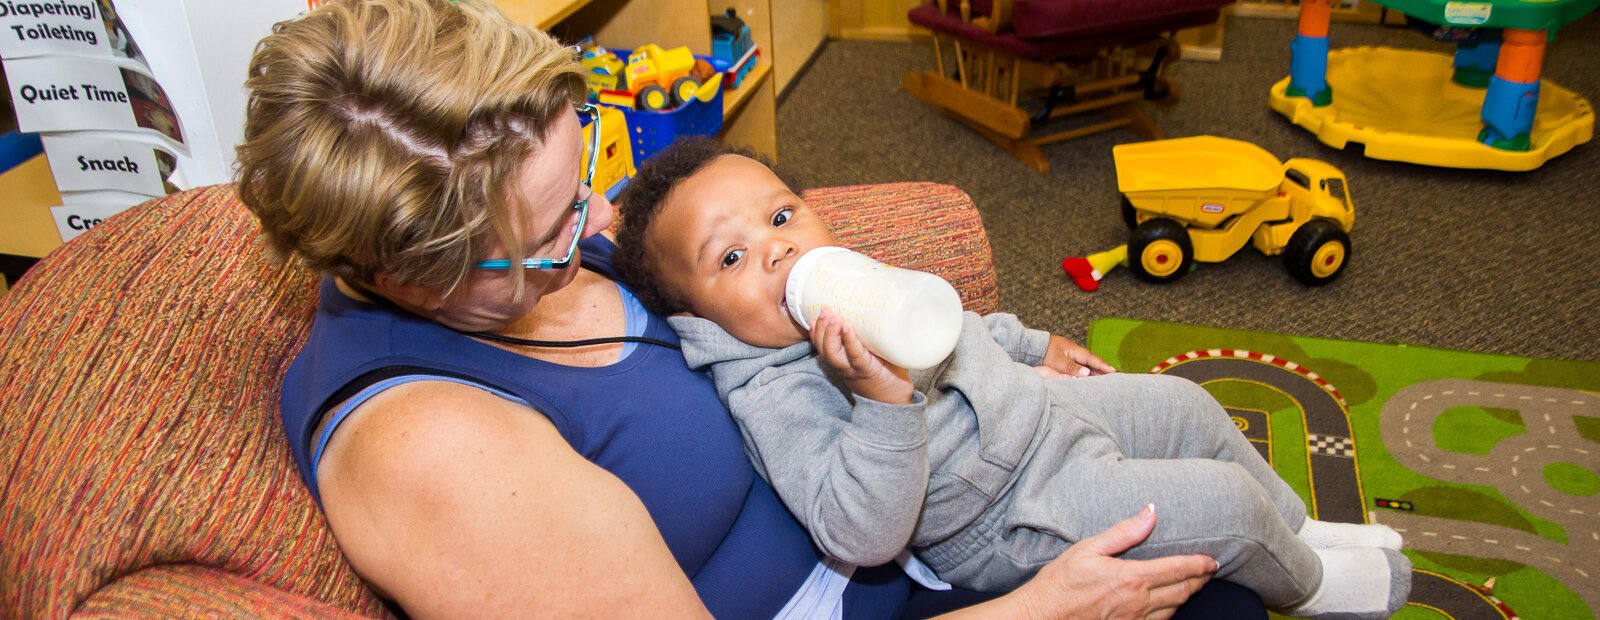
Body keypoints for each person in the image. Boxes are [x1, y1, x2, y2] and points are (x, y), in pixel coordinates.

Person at [235, 0, 1252, 616]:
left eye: (582, 162)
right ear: (415, 271)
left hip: (922, 511)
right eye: (550, 230)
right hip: (903, 594)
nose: (593, 217)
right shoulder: (433, 453)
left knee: (1196, 453)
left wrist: (992, 355)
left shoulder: (500, 266)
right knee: (1225, 578)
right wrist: (1037, 612)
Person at [611, 138, 1413, 619]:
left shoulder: (845, 279)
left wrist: (1029, 346)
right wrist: (882, 402)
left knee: (1189, 404)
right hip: (1005, 514)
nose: (777, 250)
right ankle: (1304, 584)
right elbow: (858, 533)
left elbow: (953, 324)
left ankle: (1298, 528)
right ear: (700, 320)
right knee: (1223, 508)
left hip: (1039, 413)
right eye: (731, 258)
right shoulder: (773, 390)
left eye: (781, 217)